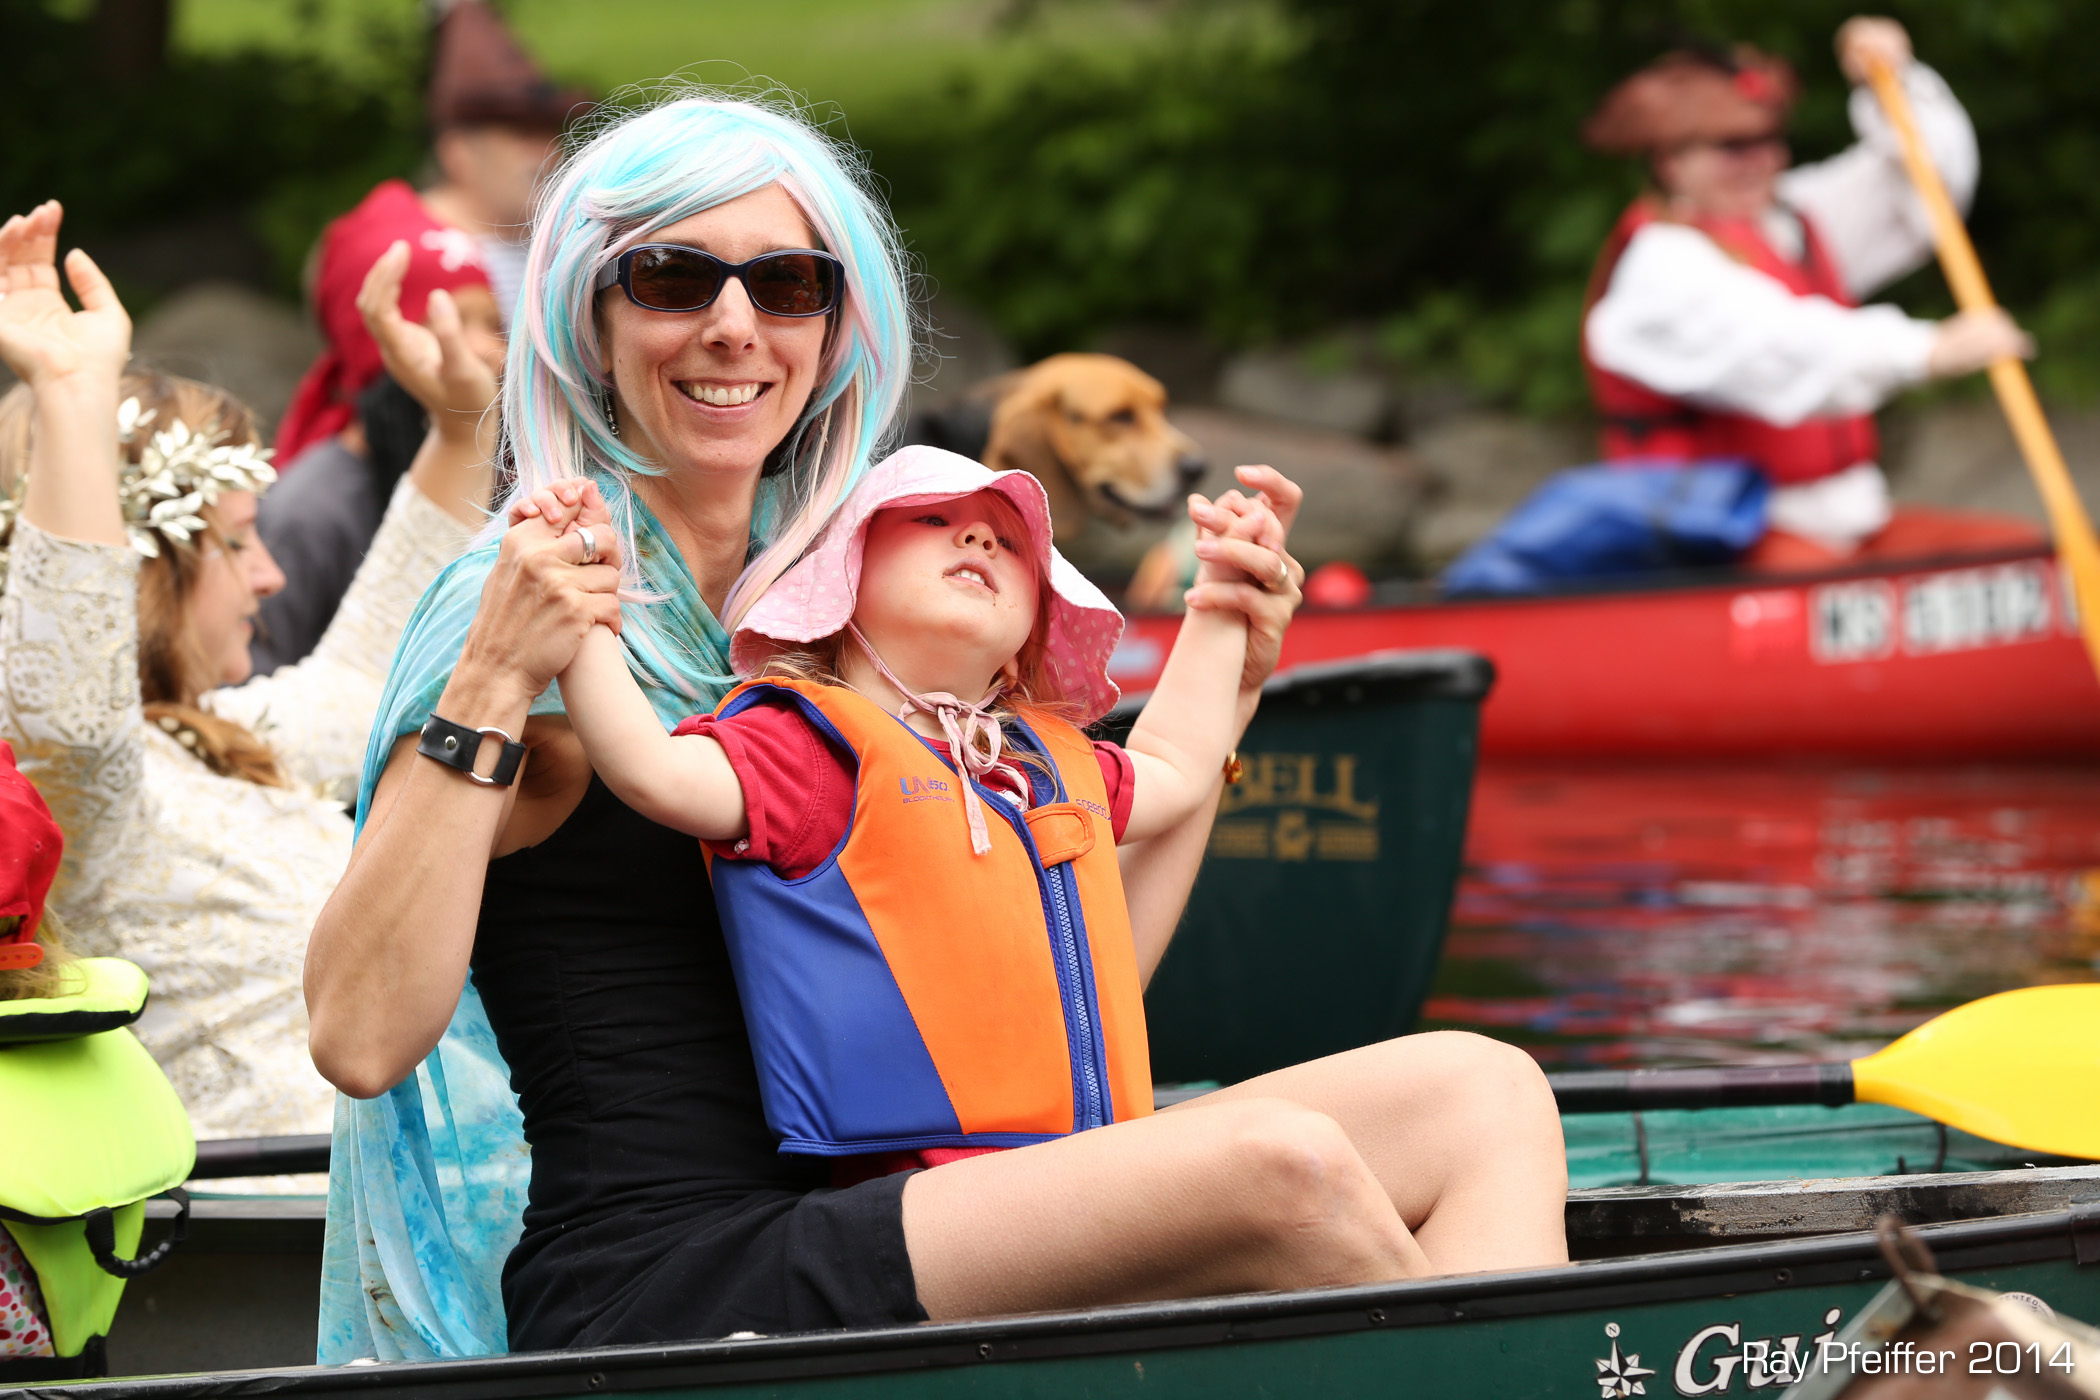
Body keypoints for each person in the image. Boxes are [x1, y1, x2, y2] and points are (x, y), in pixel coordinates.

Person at [304, 91, 1566, 1362]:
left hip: (919, 1202)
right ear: (590, 311)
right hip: (674, 1271)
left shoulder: (849, 602)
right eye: (673, 278)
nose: (733, 326)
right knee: (1282, 1164)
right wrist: (485, 683)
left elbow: (1067, 975)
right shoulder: (532, 596)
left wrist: (1225, 686)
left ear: (834, 325)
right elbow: (358, 1036)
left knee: (1482, 1090)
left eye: (787, 283)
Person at [537, 447, 1256, 1171]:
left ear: (1018, 654)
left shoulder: (1047, 767)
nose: (979, 539)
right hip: (910, 1200)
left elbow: (1177, 765)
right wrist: (584, 610)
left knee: (1299, 1146)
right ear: (838, 593)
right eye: (935, 518)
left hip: (1073, 1171)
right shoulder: (808, 751)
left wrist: (1223, 604)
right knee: (1279, 1157)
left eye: (1008, 542)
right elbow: (651, 770)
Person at [0, 199, 495, 1148]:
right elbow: (69, 709)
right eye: (236, 543)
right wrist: (73, 397)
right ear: (144, 571)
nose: (270, 573)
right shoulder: (79, 789)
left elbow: (363, 682)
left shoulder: (216, 738)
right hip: (253, 1258)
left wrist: (462, 429)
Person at [1581, 16, 2040, 570]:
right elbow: (1779, 346)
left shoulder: (1796, 217)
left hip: (1851, 521)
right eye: (1733, 147)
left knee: (2023, 554)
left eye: (1769, 141)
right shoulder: (1660, 267)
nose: (1762, 161)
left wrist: (1891, 82)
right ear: (1669, 162)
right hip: (1727, 536)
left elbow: (1928, 188)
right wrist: (1926, 349)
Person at [260, 193, 506, 670]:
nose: (484, 350)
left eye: (492, 323)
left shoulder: (500, 478)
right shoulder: (308, 514)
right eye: (446, 323)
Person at [420, 0, 593, 326]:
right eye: (523, 136)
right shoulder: (402, 253)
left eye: (549, 134)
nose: (547, 154)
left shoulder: (561, 244)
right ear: (458, 153)